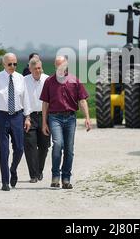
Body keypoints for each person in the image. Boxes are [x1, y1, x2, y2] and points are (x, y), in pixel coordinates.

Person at [40, 55, 92, 189]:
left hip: (70, 118)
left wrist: (87, 117)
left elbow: (82, 100)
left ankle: (66, 179)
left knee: (69, 149)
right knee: (57, 144)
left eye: (62, 65)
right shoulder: (49, 81)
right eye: (57, 65)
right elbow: (45, 103)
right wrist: (44, 122)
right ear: (55, 65)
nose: (59, 67)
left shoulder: (74, 80)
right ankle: (55, 177)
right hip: (54, 117)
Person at [0, 52, 32, 191]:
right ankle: (5, 182)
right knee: (4, 151)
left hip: (17, 117)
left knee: (19, 148)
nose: (13, 66)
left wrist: (27, 117)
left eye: (15, 64)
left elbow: (26, 98)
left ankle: (13, 169)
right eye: (10, 64)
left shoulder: (20, 78)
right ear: (4, 64)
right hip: (1, 116)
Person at [23, 57, 50, 183]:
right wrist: (26, 117)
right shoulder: (23, 81)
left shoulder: (48, 79)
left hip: (45, 116)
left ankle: (39, 170)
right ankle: (33, 175)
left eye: (39, 68)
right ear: (30, 69)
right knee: (30, 146)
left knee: (44, 146)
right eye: (35, 69)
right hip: (29, 117)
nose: (38, 71)